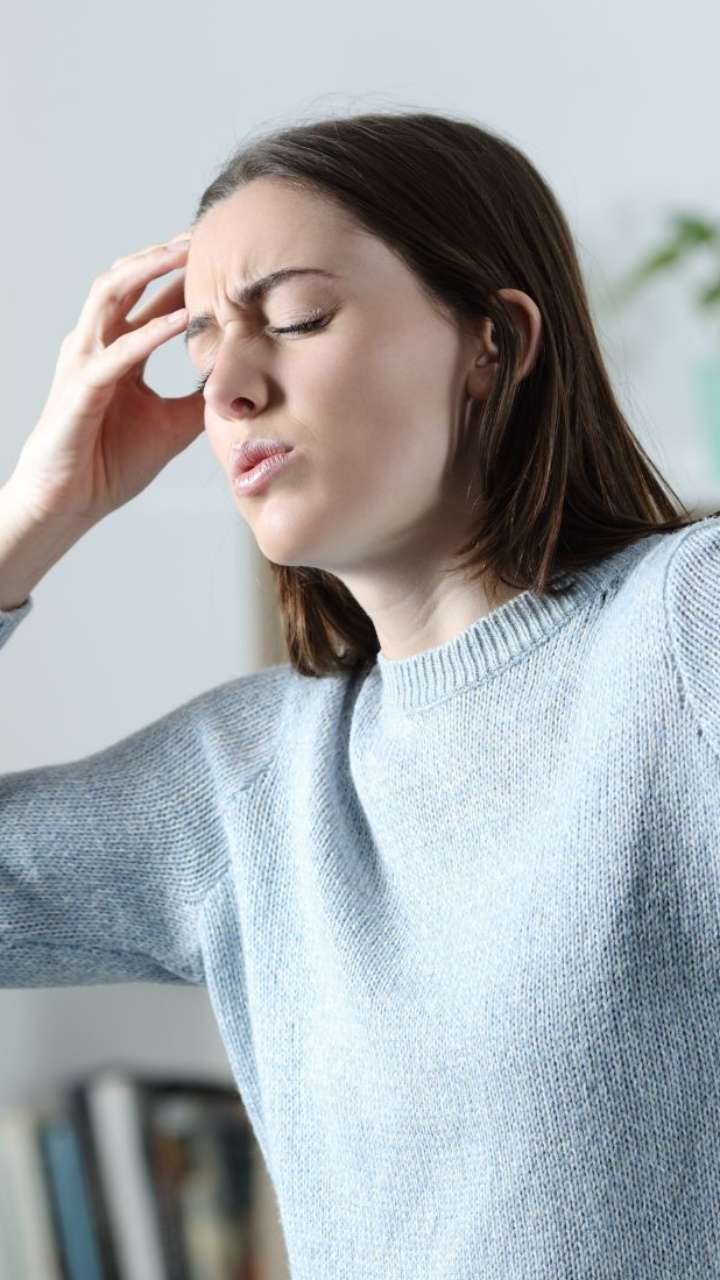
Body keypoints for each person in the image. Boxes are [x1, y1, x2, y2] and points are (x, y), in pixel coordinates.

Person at [2, 110, 720, 1278]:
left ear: (494, 341)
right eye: (200, 345)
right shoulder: (243, 785)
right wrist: (32, 514)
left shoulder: (685, 628)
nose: (230, 386)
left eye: (295, 317)